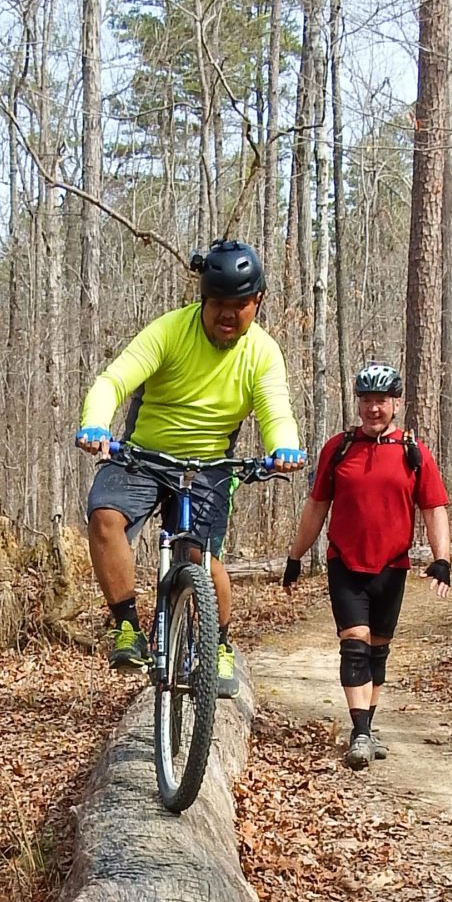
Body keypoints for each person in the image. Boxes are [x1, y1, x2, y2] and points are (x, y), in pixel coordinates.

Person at [75, 239, 305, 678]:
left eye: (239, 304)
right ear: (204, 298)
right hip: (143, 455)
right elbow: (112, 381)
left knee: (197, 557)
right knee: (104, 516)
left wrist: (283, 448)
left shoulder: (262, 352)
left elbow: (276, 408)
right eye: (218, 302)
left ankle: (218, 643)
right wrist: (96, 424)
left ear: (257, 301)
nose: (227, 314)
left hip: (210, 468)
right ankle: (127, 629)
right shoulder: (169, 331)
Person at [281, 360, 450, 769]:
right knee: (354, 645)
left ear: (395, 404)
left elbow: (434, 508)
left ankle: (367, 728)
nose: (374, 408)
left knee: (378, 651)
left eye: (382, 401)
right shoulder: (339, 449)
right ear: (358, 403)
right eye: (367, 401)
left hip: (392, 566)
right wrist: (295, 555)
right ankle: (359, 733)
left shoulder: (413, 452)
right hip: (346, 562)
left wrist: (442, 559)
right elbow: (316, 505)